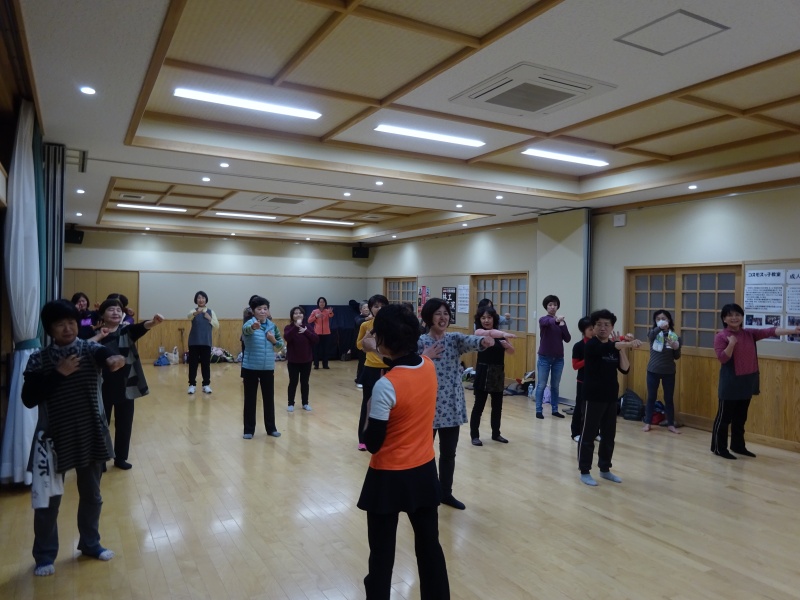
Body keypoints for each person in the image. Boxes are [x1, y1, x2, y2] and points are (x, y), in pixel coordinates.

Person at [22, 299, 125, 576]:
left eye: (71, 322)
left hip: (90, 433)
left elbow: (107, 356)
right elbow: (28, 398)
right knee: (48, 502)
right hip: (52, 439)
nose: (67, 328)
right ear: (49, 329)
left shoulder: (90, 349)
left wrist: (114, 360)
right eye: (60, 324)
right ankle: (44, 556)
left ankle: (91, 544)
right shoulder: (39, 359)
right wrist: (59, 373)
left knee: (92, 495)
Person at [357, 304, 450, 599]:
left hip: (388, 477)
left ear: (385, 340)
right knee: (429, 547)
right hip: (423, 471)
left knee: (381, 555)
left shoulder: (386, 386)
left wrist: (369, 410)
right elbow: (413, 362)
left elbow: (372, 443)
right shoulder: (428, 366)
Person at [418, 298, 492, 510]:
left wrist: (484, 341)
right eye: (438, 314)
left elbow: (471, 341)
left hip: (451, 406)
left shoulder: (453, 339)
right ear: (429, 317)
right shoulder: (421, 342)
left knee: (448, 454)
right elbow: (408, 366)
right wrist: (424, 356)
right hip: (427, 407)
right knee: (424, 454)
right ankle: (425, 493)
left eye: (446, 313)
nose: (443, 318)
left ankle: (445, 493)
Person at [711, 303, 800, 459]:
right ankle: (719, 448)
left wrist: (793, 331)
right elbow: (723, 358)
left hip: (747, 381)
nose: (734, 318)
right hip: (730, 383)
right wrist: (731, 344)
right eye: (730, 315)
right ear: (724, 319)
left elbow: (770, 331)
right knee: (724, 418)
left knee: (740, 418)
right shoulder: (721, 336)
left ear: (742, 317)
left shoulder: (749, 333)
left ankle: (738, 446)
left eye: (737, 314)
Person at [94, 298, 164, 470]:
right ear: (102, 314)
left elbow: (140, 328)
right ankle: (100, 459)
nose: (116, 312)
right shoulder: (95, 333)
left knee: (124, 424)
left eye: (119, 310)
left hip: (126, 384)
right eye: (111, 309)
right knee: (100, 424)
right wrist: (97, 335)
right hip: (101, 385)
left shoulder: (126, 331)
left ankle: (120, 458)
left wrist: (153, 322)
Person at [578, 309, 641, 486]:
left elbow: (625, 369)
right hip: (593, 396)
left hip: (611, 397)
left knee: (608, 436)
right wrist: (626, 344)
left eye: (607, 324)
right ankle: (584, 471)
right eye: (598, 324)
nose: (603, 328)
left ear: (612, 327)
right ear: (593, 327)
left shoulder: (614, 346)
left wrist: (622, 349)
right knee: (588, 435)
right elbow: (604, 348)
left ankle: (605, 469)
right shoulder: (591, 345)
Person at [469, 306, 515, 446]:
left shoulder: (500, 335)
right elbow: (489, 333)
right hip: (483, 372)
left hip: (498, 373)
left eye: (489, 317)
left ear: (494, 319)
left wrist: (507, 345)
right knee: (479, 406)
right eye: (483, 318)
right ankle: (474, 436)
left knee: (497, 406)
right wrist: (504, 334)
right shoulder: (479, 332)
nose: (486, 320)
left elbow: (512, 352)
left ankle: (496, 434)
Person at [241, 295, 284, 439]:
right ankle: (248, 430)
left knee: (269, 399)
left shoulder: (272, 326)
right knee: (250, 399)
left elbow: (280, 345)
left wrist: (273, 340)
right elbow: (246, 331)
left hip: (267, 368)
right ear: (253, 311)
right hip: (250, 367)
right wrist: (253, 327)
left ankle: (271, 428)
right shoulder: (249, 324)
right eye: (259, 309)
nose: (263, 311)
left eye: (265, 309)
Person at [356, 294, 389, 451]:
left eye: (382, 306)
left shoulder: (392, 325)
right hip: (371, 368)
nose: (379, 309)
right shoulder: (366, 325)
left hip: (389, 368)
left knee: (389, 405)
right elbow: (358, 345)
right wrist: (367, 339)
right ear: (370, 309)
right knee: (367, 404)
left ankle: (386, 438)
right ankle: (363, 439)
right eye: (376, 306)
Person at [643, 310, 682, 434]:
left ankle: (670, 424)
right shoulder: (653, 333)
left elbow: (677, 356)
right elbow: (650, 336)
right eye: (658, 319)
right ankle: (648, 423)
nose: (661, 321)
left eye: (664, 318)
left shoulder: (675, 336)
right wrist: (659, 328)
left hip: (669, 371)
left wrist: (676, 347)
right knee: (651, 397)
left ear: (669, 320)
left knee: (669, 398)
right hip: (653, 370)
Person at [533, 294, 571, 419]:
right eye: (550, 305)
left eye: (555, 305)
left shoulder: (561, 322)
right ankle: (539, 410)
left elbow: (567, 338)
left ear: (557, 306)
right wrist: (556, 320)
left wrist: (562, 324)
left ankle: (555, 409)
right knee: (541, 384)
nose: (553, 307)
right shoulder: (543, 320)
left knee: (555, 385)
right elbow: (549, 322)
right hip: (544, 357)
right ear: (546, 307)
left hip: (558, 358)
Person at [284, 306, 318, 412]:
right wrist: (296, 327)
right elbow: (287, 337)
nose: (298, 315)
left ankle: (305, 403)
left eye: (300, 313)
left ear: (303, 315)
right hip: (293, 361)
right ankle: (290, 403)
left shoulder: (308, 327)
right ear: (292, 316)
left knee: (305, 382)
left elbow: (316, 339)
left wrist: (306, 331)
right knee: (293, 382)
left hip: (306, 360)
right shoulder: (289, 327)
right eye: (295, 313)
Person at [187, 290, 219, 395]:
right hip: (194, 342)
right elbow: (189, 316)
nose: (201, 300)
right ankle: (192, 385)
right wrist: (196, 313)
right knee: (193, 364)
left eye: (203, 298)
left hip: (206, 342)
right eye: (199, 298)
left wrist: (209, 318)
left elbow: (217, 325)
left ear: (206, 299)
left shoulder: (211, 312)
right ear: (196, 300)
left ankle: (206, 385)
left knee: (206, 364)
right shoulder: (193, 311)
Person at [570, 316, 595, 442]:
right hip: (583, 381)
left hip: (596, 381)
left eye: (594, 328)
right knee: (580, 407)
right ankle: (575, 433)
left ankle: (595, 432)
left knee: (595, 408)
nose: (593, 331)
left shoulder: (598, 343)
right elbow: (575, 366)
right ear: (583, 331)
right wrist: (587, 360)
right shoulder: (578, 346)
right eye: (590, 329)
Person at [308, 296, 334, 369]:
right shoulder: (314, 311)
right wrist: (316, 317)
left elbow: (331, 315)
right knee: (316, 350)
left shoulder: (327, 311)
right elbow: (309, 321)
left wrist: (330, 312)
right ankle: (316, 364)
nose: (322, 303)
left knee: (326, 350)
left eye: (323, 302)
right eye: (320, 302)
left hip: (326, 333)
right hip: (317, 333)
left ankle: (325, 365)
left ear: (325, 303)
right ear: (318, 303)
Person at [354, 301, 370, 388]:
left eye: (368, 308)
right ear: (361, 310)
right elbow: (358, 322)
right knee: (362, 362)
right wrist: (368, 318)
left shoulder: (372, 318)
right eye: (364, 308)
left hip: (370, 343)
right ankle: (359, 380)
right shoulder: (358, 318)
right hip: (361, 343)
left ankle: (366, 379)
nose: (366, 309)